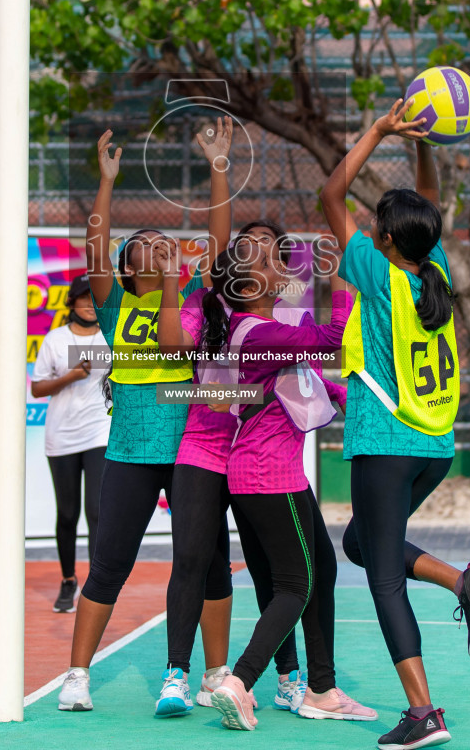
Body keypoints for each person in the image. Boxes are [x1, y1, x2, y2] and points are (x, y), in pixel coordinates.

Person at [317, 98, 470, 750]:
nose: (366, 230)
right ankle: (462, 581)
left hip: (386, 441)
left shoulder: (375, 271)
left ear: (387, 241)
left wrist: (380, 129)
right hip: (434, 446)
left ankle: (424, 712)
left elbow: (330, 193)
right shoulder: (433, 273)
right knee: (363, 545)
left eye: (375, 226)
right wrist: (425, 140)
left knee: (381, 578)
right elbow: (428, 203)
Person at [58, 119, 234, 713]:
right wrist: (107, 183)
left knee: (207, 560)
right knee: (110, 563)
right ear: (129, 266)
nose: (160, 246)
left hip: (191, 450)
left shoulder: (190, 300)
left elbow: (217, 238)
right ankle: (77, 675)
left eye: (167, 242)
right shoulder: (113, 303)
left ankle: (213, 674)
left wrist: (217, 167)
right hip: (131, 450)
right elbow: (94, 242)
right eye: (147, 245)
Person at [197, 241, 378, 731]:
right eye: (268, 262)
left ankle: (321, 690)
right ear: (250, 285)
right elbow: (335, 336)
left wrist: (356, 400)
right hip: (267, 475)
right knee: (295, 585)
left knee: (322, 573)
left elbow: (306, 383)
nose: (282, 266)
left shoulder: (262, 333)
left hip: (270, 474)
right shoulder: (258, 334)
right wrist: (343, 271)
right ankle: (240, 682)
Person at [157, 222, 315, 715]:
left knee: (274, 572)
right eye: (251, 246)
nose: (262, 254)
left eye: (271, 249)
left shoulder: (285, 311)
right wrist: (220, 165)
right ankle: (178, 676)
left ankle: (289, 678)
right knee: (193, 561)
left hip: (256, 453)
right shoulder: (207, 302)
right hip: (204, 448)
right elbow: (171, 349)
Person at [31, 276, 111, 613]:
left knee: (96, 510)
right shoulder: (55, 339)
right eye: (83, 299)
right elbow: (37, 389)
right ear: (72, 303)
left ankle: (94, 585)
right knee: (68, 514)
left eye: (94, 300)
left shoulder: (109, 335)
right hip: (62, 435)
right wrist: (70, 376)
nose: (90, 306)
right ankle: (68, 581)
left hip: (98, 431)